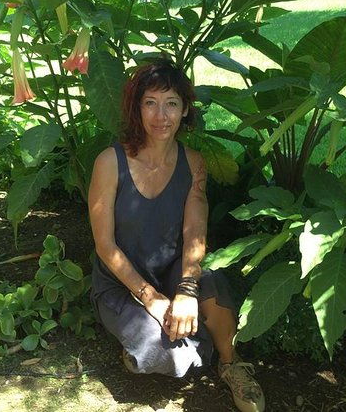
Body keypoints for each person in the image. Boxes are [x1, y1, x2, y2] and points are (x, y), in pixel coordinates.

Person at [88, 59, 265, 412]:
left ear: (185, 109)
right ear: (137, 108)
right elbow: (105, 245)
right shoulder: (109, 162)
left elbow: (195, 233)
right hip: (121, 284)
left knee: (213, 286)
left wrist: (186, 291)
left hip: (172, 270)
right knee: (167, 354)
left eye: (171, 103)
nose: (161, 116)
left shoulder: (194, 163)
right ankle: (172, 343)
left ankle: (230, 363)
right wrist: (151, 298)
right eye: (150, 103)